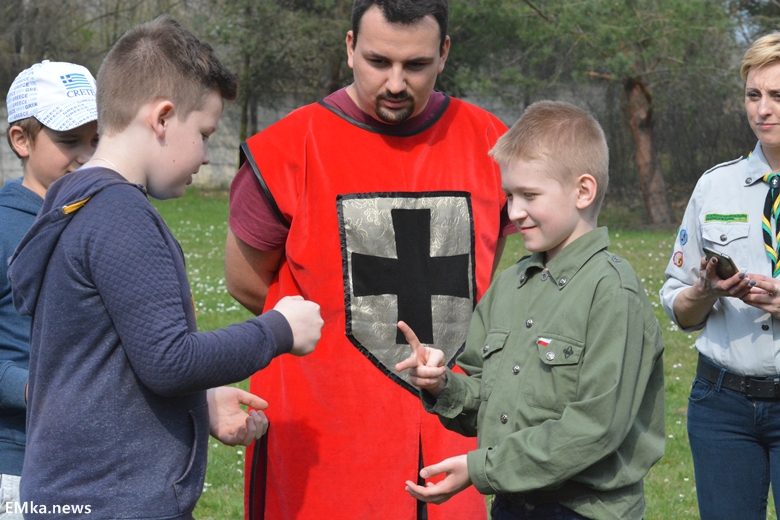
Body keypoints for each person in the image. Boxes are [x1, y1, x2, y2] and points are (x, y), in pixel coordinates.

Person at [6, 16, 323, 520]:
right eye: (203, 132)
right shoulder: (121, 215)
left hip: (71, 494)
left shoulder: (71, 201)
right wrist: (278, 330)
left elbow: (116, 366)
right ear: (162, 117)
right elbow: (170, 361)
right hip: (117, 502)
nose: (203, 155)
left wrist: (196, 405)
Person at [225, 0, 515, 517]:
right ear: (351, 47)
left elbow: (487, 279)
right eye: (379, 61)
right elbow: (247, 283)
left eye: (417, 64)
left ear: (444, 53)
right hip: (327, 429)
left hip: (452, 426)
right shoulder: (286, 149)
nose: (397, 83)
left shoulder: (493, 144)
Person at [397, 101, 666, 520]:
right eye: (509, 195)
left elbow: (595, 427)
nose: (513, 211)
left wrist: (479, 468)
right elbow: (486, 399)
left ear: (583, 191)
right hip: (511, 503)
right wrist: (441, 385)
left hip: (584, 511)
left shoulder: (613, 292)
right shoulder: (510, 285)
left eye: (529, 195)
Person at [660, 32, 780, 520]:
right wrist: (704, 292)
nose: (763, 110)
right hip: (722, 406)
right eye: (754, 95)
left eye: (777, 96)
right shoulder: (715, 186)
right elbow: (678, 306)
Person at [0, 60, 99, 518]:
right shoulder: (3, 225)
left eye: (96, 140)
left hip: (98, 459)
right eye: (68, 141)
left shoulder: (101, 219)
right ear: (21, 140)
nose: (86, 154)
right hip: (19, 465)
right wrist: (36, 388)